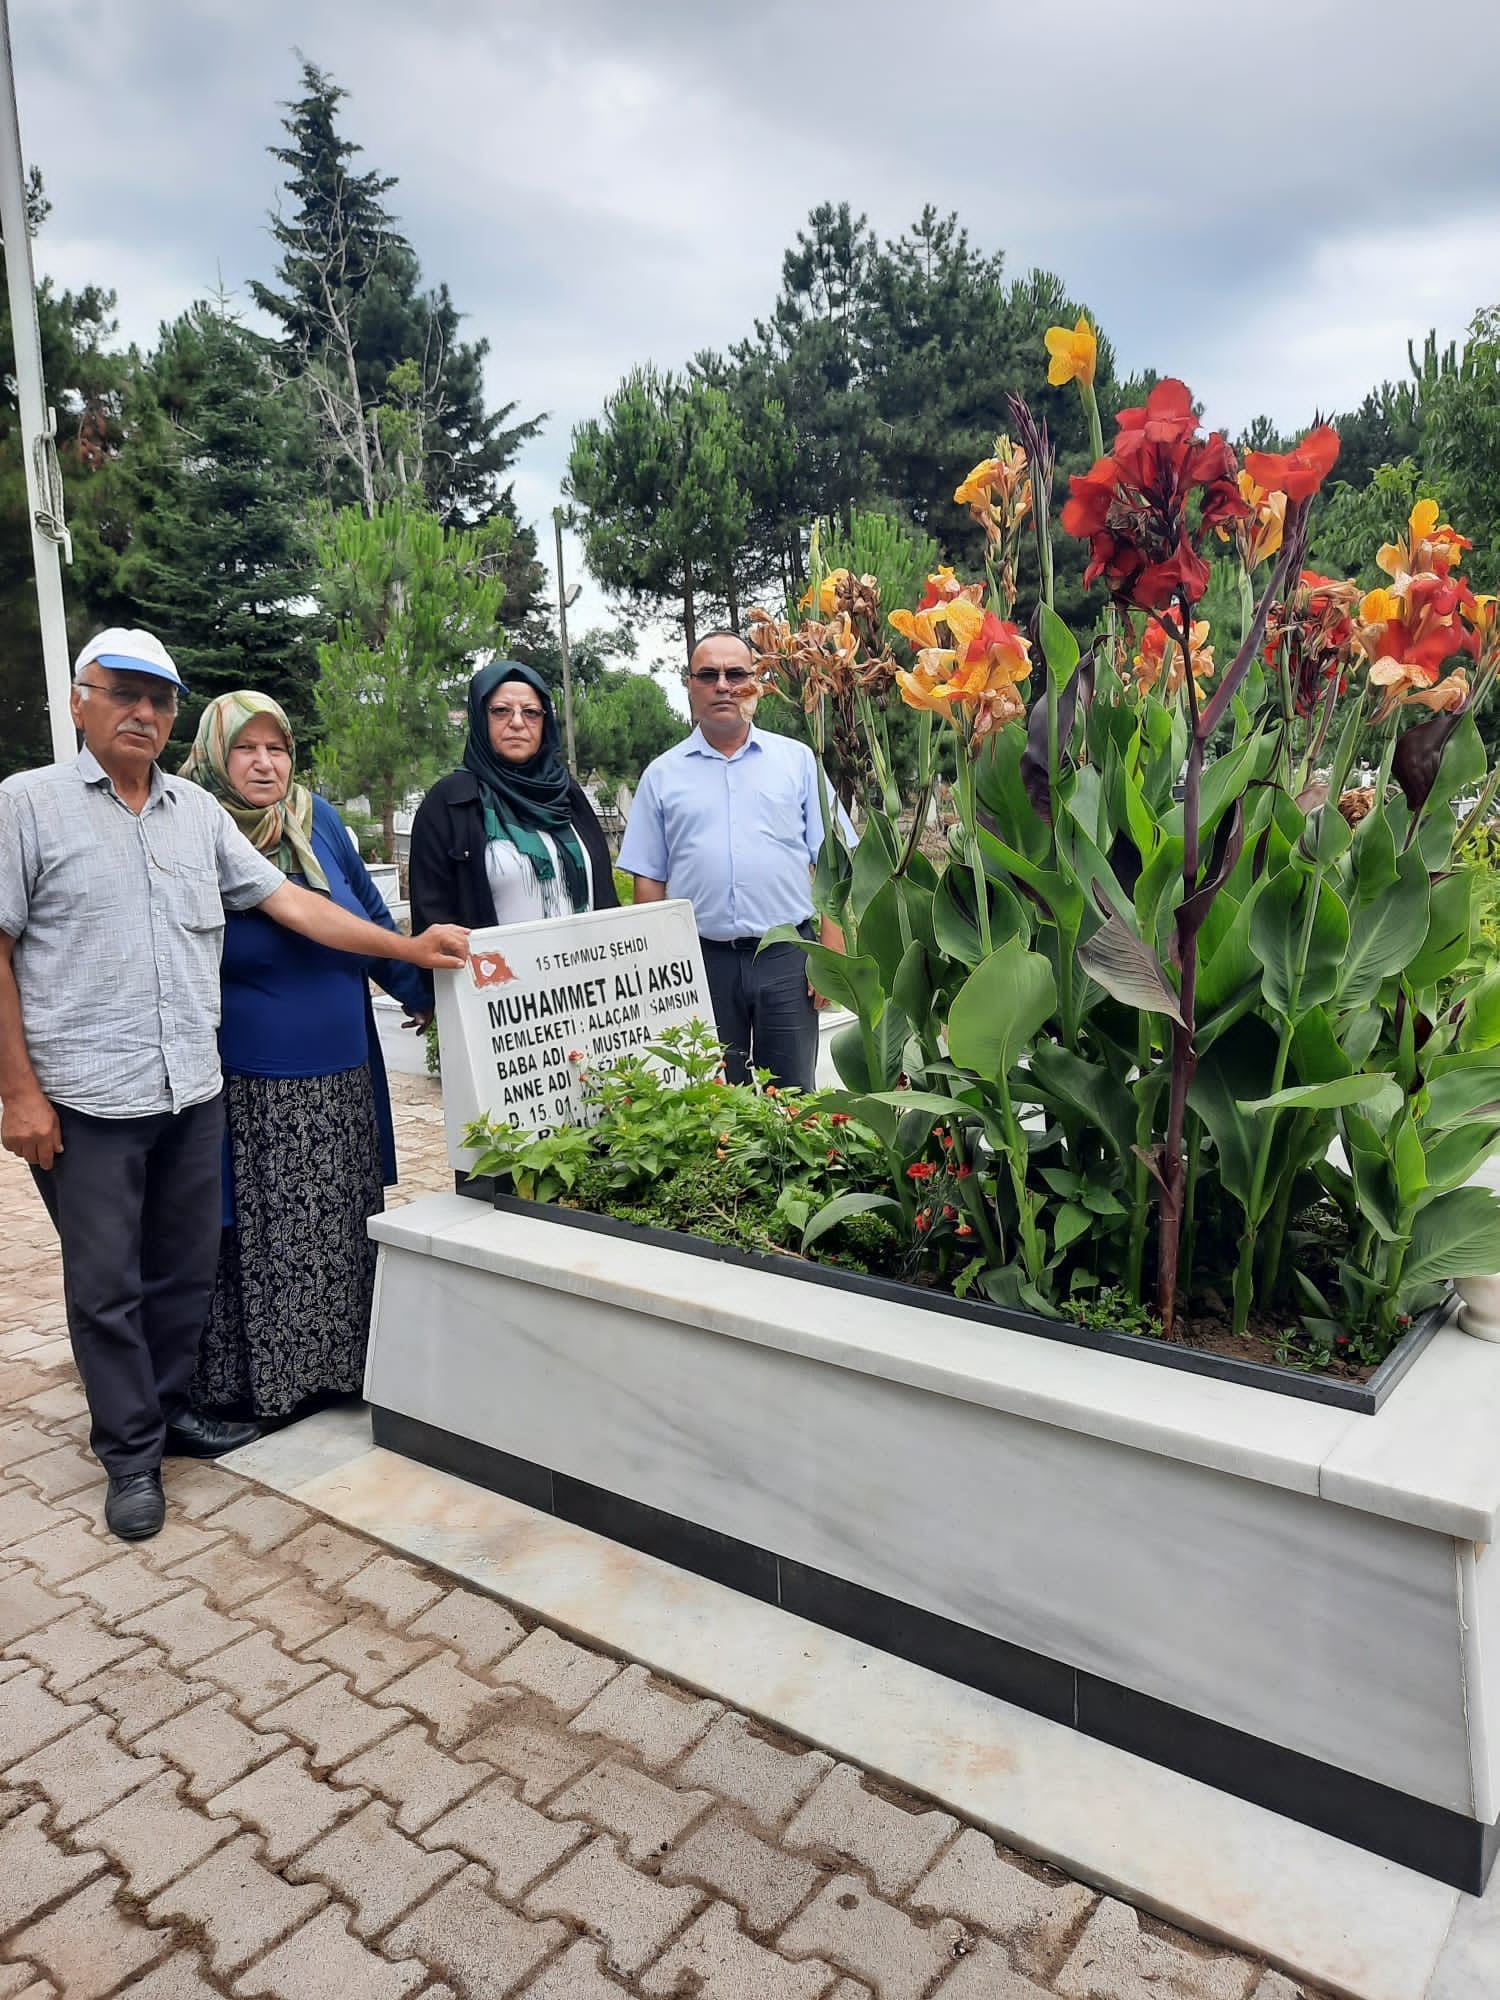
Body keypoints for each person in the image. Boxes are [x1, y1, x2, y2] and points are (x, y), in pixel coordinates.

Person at [0, 630, 468, 1544]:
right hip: (88, 1096)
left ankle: (168, 1413)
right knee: (106, 1283)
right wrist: (17, 1094)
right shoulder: (27, 805)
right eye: (123, 694)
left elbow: (296, 903)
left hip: (191, 1087)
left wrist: (407, 950)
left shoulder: (194, 817)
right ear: (78, 702)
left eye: (160, 699)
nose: (143, 713)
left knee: (182, 1272)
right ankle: (130, 1457)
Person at [179, 692, 431, 1427]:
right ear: (216, 755)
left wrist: (419, 992)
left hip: (343, 1065)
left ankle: (344, 1368)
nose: (265, 763)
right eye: (246, 749)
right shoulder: (195, 827)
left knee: (341, 1222)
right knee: (264, 1233)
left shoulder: (317, 821)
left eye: (277, 748)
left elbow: (369, 920)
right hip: (251, 1075)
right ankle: (266, 1387)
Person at [620, 629, 849, 1092]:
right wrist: (661, 972)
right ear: (690, 685)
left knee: (791, 1100)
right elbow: (649, 885)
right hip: (702, 962)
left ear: (757, 683)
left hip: (789, 958)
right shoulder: (662, 776)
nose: (722, 685)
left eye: (735, 673)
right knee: (712, 1100)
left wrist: (831, 952)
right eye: (708, 675)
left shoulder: (797, 761)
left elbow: (835, 863)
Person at [408, 660, 617, 930]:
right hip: (497, 970)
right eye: (501, 711)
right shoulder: (450, 802)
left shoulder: (568, 794)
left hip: (586, 969)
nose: (517, 722)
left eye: (531, 712)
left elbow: (605, 896)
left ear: (546, 722)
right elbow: (433, 922)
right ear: (481, 718)